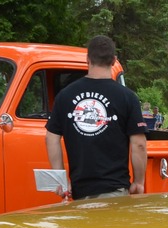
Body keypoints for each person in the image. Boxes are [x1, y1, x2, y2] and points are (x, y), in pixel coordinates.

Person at [45, 35, 147, 200]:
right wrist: (139, 181)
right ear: (114, 60)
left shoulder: (65, 95)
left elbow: (51, 138)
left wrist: (61, 180)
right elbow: (139, 144)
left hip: (80, 191)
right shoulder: (128, 97)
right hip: (115, 191)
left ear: (88, 59)